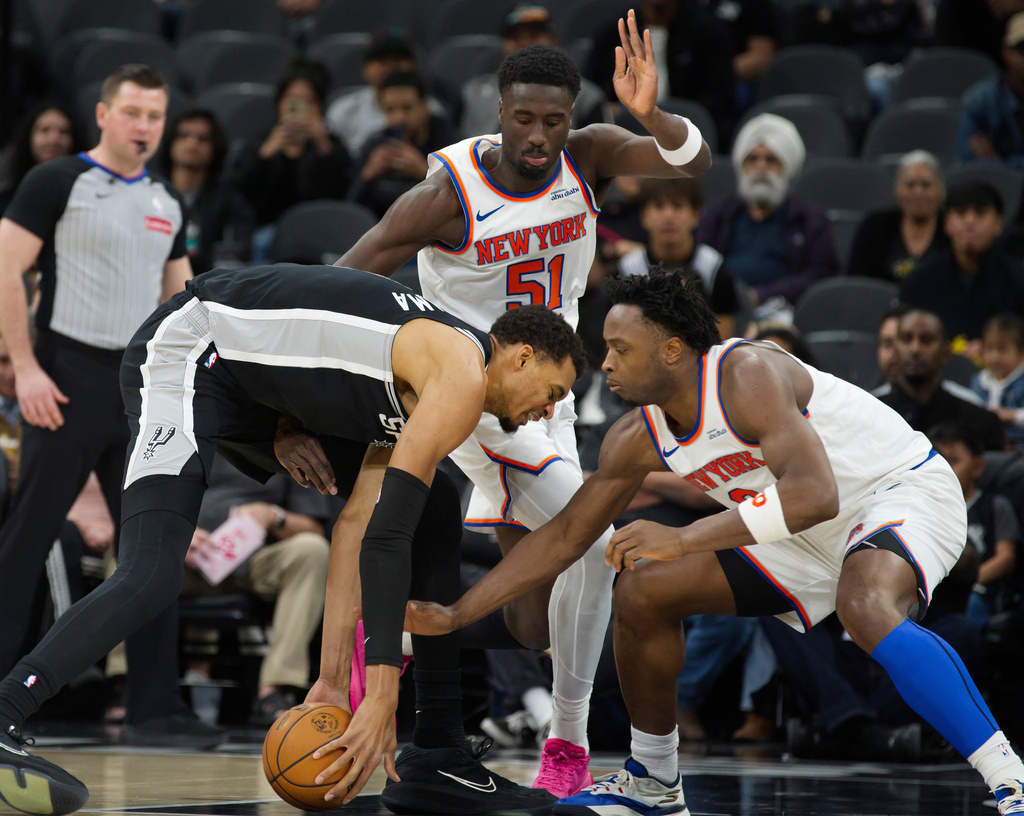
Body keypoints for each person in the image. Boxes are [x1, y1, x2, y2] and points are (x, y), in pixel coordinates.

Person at [404, 268, 1024, 816]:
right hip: (795, 529)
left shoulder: (746, 373)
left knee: (865, 605)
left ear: (672, 349)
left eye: (621, 348)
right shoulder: (634, 436)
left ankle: (1008, 776)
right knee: (645, 589)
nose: (608, 363)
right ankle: (653, 778)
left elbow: (814, 494)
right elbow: (566, 536)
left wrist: (686, 539)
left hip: (895, 492)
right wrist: (459, 613)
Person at [0, 262, 585, 816]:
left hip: (254, 388)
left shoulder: (430, 377)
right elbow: (383, 538)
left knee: (431, 508)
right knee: (151, 570)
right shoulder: (460, 375)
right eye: (554, 392)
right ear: (522, 357)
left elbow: (357, 525)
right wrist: (379, 695)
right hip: (187, 351)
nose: (548, 411)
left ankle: (437, 752)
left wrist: (333, 680)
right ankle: (6, 709)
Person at [335, 17, 712, 797]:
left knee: (539, 606)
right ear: (498, 112)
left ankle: (539, 721)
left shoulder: (592, 156)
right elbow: (345, 277)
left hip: (545, 401)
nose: (540, 136)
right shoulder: (445, 194)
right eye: (524, 119)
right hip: (461, 396)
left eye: (554, 120)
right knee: (583, 541)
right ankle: (533, 735)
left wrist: (651, 113)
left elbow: (693, 159)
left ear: (571, 118)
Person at [0, 64, 196, 745]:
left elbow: (183, 300)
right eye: (133, 113)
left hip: (139, 388)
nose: (145, 127)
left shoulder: (170, 200)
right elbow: (6, 264)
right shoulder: (56, 181)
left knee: (152, 557)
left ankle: (156, 710)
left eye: (155, 116)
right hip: (64, 375)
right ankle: (3, 700)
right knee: (26, 545)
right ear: (105, 116)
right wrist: (23, 367)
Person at [179, 450, 338, 726]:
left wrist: (274, 516)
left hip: (258, 559)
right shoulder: (186, 427)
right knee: (127, 549)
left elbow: (314, 528)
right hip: (185, 556)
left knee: (312, 551)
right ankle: (125, 683)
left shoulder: (291, 440)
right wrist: (175, 531)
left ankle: (276, 688)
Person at [695, 113, 840, 313]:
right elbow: (700, 266)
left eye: (771, 160)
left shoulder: (809, 219)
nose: (761, 167)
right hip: (722, 310)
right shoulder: (718, 216)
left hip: (787, 312)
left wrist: (760, 296)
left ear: (786, 169)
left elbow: (820, 275)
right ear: (742, 167)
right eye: (752, 159)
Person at [232, 56, 352, 260]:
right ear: (280, 102)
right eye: (292, 99)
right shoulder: (261, 143)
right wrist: (266, 154)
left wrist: (323, 145)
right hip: (268, 231)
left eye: (309, 101)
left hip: (321, 232)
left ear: (320, 106)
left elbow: (343, 195)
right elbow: (239, 192)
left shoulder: (332, 147)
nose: (299, 107)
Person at [586, 0, 736, 145]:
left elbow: (719, 97)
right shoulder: (613, 33)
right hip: (623, 133)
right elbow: (590, 92)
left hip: (690, 133)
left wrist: (662, 115)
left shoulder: (709, 31)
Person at [900, 180, 1024, 354]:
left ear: (998, 224)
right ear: (946, 224)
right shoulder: (920, 280)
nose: (969, 222)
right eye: (960, 213)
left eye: (980, 213)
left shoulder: (1018, 278)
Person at [613, 177, 741, 338]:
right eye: (659, 207)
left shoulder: (713, 267)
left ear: (695, 216)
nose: (668, 216)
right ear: (644, 217)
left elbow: (721, 344)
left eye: (678, 206)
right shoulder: (627, 269)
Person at [459, 4, 610, 138]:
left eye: (534, 35)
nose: (524, 43)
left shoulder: (586, 95)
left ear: (553, 40)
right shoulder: (473, 91)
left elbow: (600, 149)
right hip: (478, 167)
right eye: (515, 37)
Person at [930, 421, 1021, 630]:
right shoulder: (928, 508)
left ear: (978, 466)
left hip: (978, 591)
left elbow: (1005, 558)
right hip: (933, 593)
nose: (944, 469)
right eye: (939, 461)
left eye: (952, 461)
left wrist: (964, 583)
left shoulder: (994, 506)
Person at [875, 309, 1006, 451]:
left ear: (946, 352)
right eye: (907, 339)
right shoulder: (872, 414)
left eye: (926, 340)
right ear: (895, 350)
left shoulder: (980, 422)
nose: (915, 349)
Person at [156, 108, 253, 275]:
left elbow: (235, 256)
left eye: (202, 139)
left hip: (206, 287)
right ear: (170, 142)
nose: (192, 144)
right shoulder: (150, 192)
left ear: (215, 148)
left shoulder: (230, 201)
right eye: (183, 136)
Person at [349, 71, 458, 219]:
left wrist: (424, 172)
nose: (398, 118)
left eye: (407, 108)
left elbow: (463, 203)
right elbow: (351, 211)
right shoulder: (375, 144)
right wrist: (368, 175)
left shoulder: (451, 145)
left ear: (425, 106)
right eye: (390, 110)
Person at [325, 29, 437, 159]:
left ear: (413, 65)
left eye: (398, 59)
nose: (390, 66)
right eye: (381, 60)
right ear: (365, 69)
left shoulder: (434, 111)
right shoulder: (343, 111)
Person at [847, 150, 949, 283]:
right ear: (897, 190)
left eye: (926, 185)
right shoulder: (874, 227)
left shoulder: (952, 229)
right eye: (910, 185)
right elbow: (857, 282)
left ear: (940, 190)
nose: (918, 192)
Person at [955, 12, 1024, 166]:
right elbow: (966, 164)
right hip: (993, 188)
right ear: (1006, 52)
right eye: (1021, 49)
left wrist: (997, 162)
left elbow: (987, 164)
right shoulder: (979, 101)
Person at [0, 103, 88, 216]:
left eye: (63, 131)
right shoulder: (6, 200)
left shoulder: (85, 199)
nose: (54, 139)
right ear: (29, 136)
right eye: (44, 130)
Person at [972, 312, 1024, 452]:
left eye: (1002, 349)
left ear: (1021, 352)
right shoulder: (979, 381)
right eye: (989, 349)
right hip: (986, 449)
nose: (994, 357)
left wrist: (1011, 415)